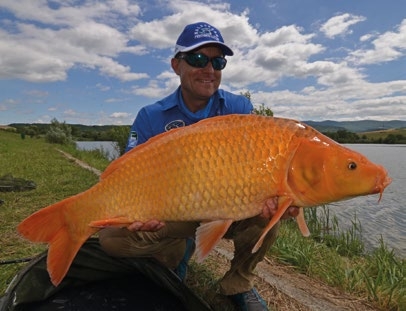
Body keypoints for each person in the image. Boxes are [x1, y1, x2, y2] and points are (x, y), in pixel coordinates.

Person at [99, 22, 298, 311]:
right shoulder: (151, 116)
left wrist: (281, 192)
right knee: (112, 239)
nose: (209, 69)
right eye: (197, 59)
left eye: (218, 61)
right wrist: (137, 213)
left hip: (227, 205)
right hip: (173, 209)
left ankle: (238, 284)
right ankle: (173, 254)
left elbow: (263, 165)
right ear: (175, 65)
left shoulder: (239, 109)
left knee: (269, 216)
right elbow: (126, 172)